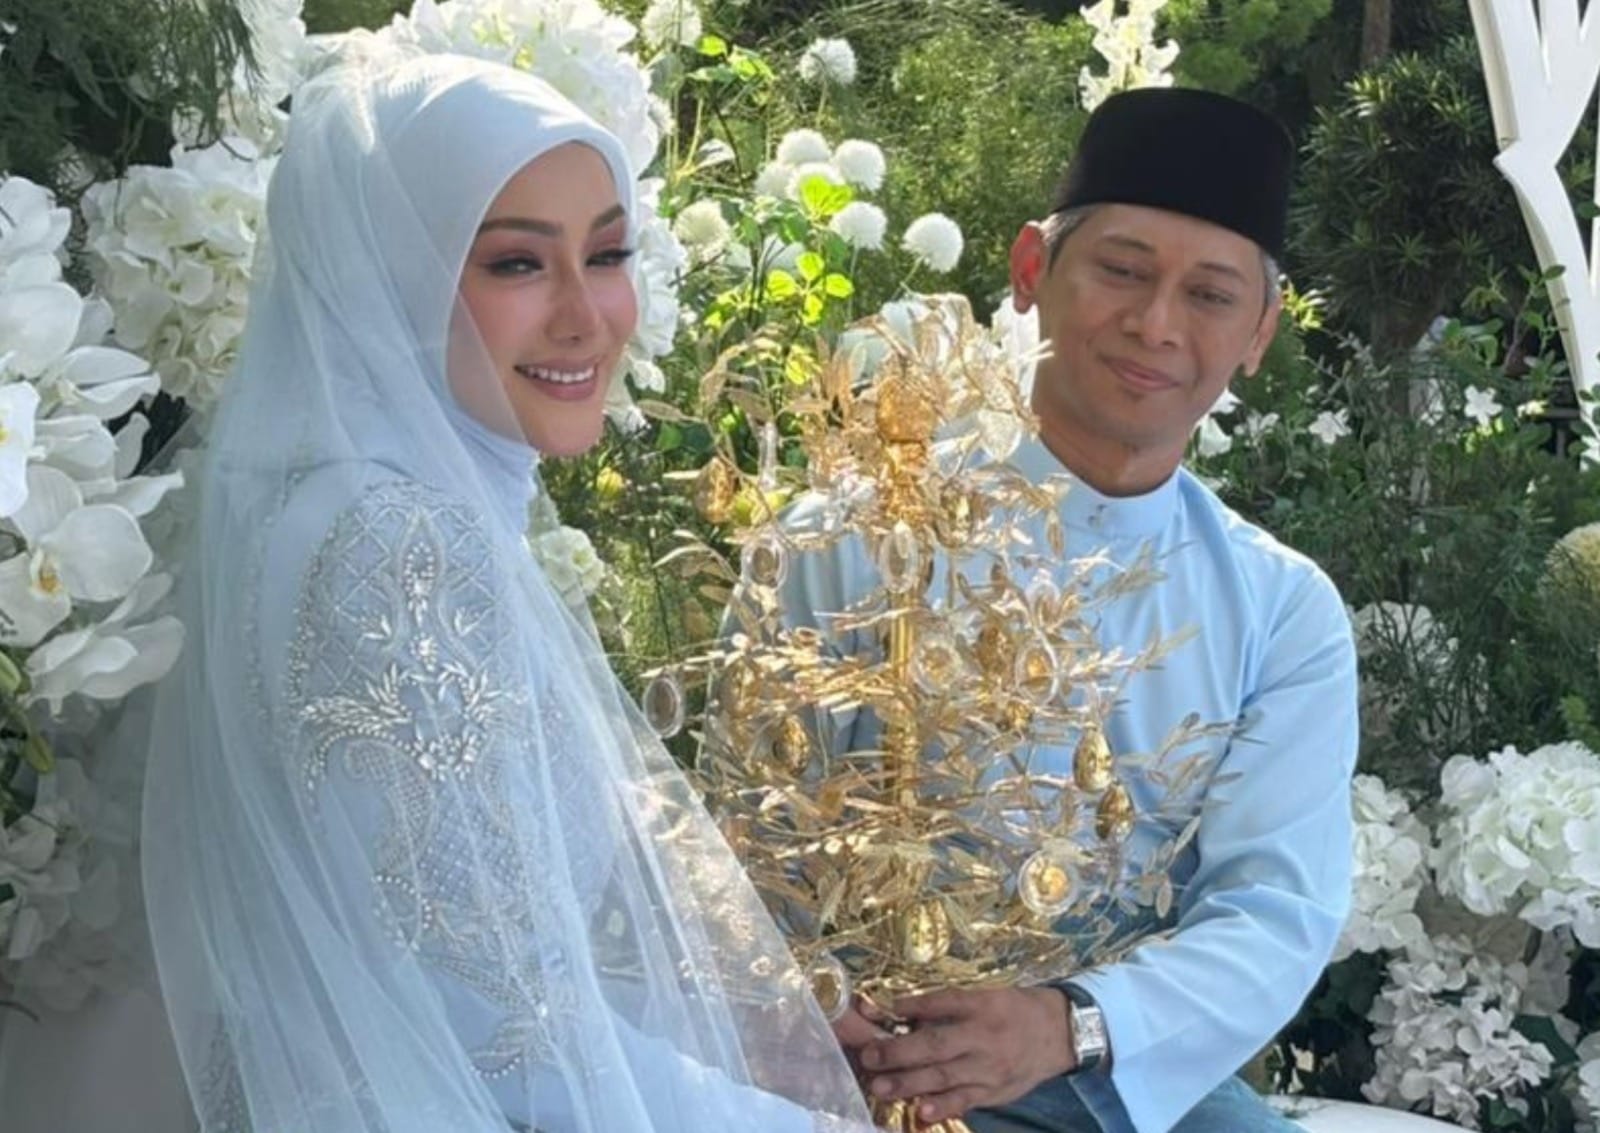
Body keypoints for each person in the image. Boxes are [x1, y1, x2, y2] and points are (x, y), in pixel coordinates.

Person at [129, 51, 878, 1133]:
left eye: (607, 254)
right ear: (392, 278)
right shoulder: (399, 547)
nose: (587, 316)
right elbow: (520, 1043)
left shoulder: (329, 500)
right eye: (518, 264)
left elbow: (474, 944)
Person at [776, 89, 1360, 1133]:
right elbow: (746, 825)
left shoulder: (1281, 612)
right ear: (1032, 269)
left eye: (1210, 294)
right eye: (1123, 271)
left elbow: (1274, 911)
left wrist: (1067, 1024)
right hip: (845, 1059)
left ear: (1259, 331)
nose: (1156, 325)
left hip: (1111, 1071)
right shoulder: (851, 533)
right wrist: (807, 1005)